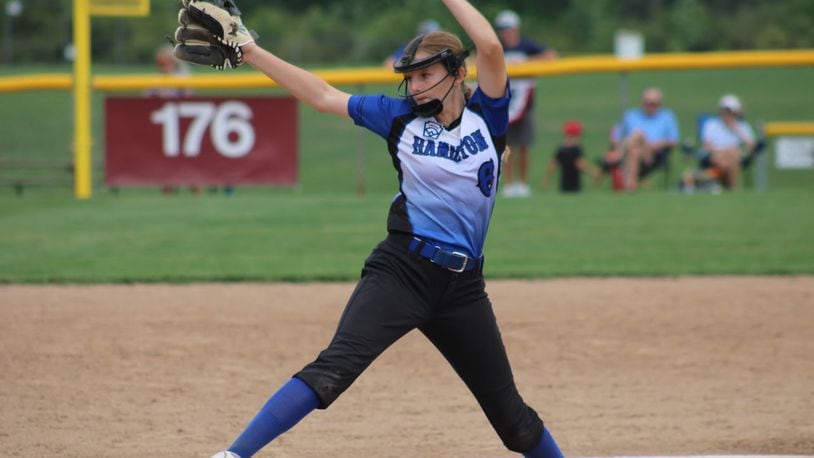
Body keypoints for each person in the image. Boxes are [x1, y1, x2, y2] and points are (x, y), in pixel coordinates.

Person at [177, 1, 564, 457]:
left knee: (514, 423)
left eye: (425, 75)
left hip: (463, 288)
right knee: (333, 371)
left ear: (459, 73)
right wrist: (252, 51)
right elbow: (322, 96)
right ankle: (232, 456)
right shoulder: (398, 117)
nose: (415, 87)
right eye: (410, 77)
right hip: (402, 272)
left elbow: (491, 46)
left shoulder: (490, 117)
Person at [495, 9, 558, 197]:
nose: (507, 33)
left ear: (517, 29)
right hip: (503, 103)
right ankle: (509, 184)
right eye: (503, 29)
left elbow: (551, 55)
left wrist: (524, 63)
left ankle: (522, 184)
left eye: (510, 29)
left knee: (524, 145)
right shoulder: (498, 47)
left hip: (525, 104)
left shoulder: (527, 45)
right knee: (506, 146)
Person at [613, 87, 680, 191]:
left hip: (653, 154)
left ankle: (618, 154)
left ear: (659, 104)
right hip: (633, 151)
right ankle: (631, 186)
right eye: (646, 103)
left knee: (639, 134)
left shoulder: (667, 117)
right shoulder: (631, 115)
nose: (649, 106)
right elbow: (616, 135)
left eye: (653, 104)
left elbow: (673, 141)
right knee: (634, 150)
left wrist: (656, 144)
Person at [699, 94, 756, 190]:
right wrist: (725, 151)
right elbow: (707, 146)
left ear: (736, 113)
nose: (727, 114)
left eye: (730, 112)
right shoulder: (711, 124)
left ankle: (716, 183)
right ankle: (734, 189)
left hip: (736, 156)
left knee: (732, 154)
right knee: (729, 155)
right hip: (716, 155)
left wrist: (737, 130)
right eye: (725, 111)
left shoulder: (743, 127)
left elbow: (751, 146)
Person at [542, 120, 598, 193]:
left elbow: (553, 165)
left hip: (563, 185)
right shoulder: (577, 149)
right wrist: (592, 171)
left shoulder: (560, 149)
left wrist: (546, 179)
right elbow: (580, 164)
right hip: (576, 185)